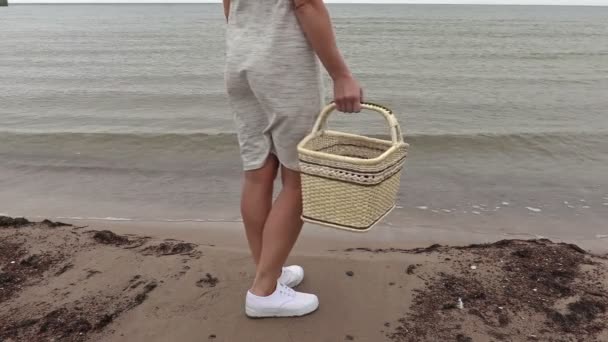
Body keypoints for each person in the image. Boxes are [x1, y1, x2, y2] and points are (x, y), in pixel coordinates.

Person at [223, 0, 363, 318]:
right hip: (282, 67)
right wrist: (341, 75)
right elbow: (307, 4)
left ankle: (268, 271)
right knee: (299, 179)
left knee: (258, 172)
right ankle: (264, 291)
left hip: (240, 61)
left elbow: (229, 5)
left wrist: (249, 38)